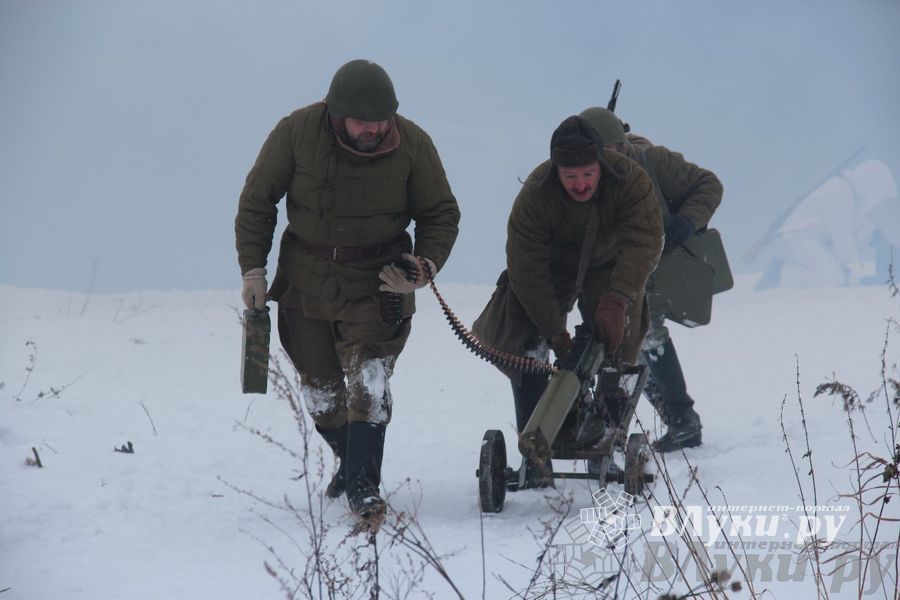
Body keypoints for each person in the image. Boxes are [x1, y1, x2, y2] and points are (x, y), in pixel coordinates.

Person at [235, 59, 460, 521]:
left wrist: (423, 265)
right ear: (336, 112)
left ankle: (363, 485)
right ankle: (348, 454)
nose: (374, 129)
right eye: (363, 121)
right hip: (306, 280)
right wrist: (253, 270)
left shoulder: (414, 144)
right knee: (321, 391)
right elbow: (258, 201)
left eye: (382, 120)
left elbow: (440, 212)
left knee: (370, 381)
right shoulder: (295, 132)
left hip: (381, 282)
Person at [472, 115, 663, 483]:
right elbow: (526, 268)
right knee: (524, 341)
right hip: (553, 269)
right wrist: (553, 331)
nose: (580, 184)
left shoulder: (630, 181)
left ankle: (607, 439)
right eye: (571, 176)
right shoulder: (535, 194)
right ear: (556, 169)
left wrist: (618, 298)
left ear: (601, 166)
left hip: (611, 267)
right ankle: (537, 451)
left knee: (619, 344)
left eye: (588, 175)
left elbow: (644, 241)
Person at [580, 106, 724, 452]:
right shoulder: (585, 170)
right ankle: (671, 417)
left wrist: (687, 221)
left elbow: (708, 184)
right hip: (612, 268)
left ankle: (681, 419)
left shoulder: (651, 160)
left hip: (655, 263)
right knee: (622, 343)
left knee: (646, 336)